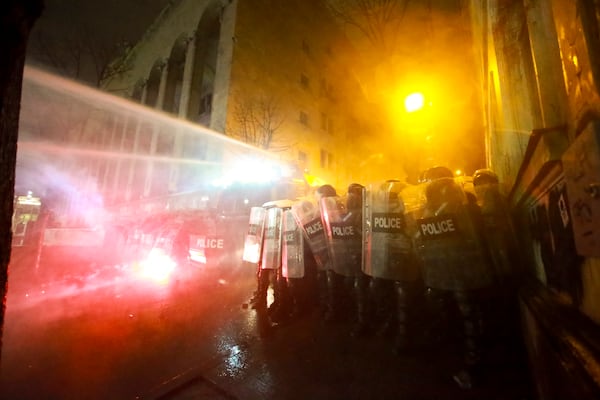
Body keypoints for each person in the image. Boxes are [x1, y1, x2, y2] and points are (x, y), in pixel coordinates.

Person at [415, 166, 494, 389]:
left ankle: (474, 366)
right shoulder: (429, 210)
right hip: (442, 271)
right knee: (451, 317)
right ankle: (458, 360)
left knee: (468, 316)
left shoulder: (466, 206)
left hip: (463, 271)